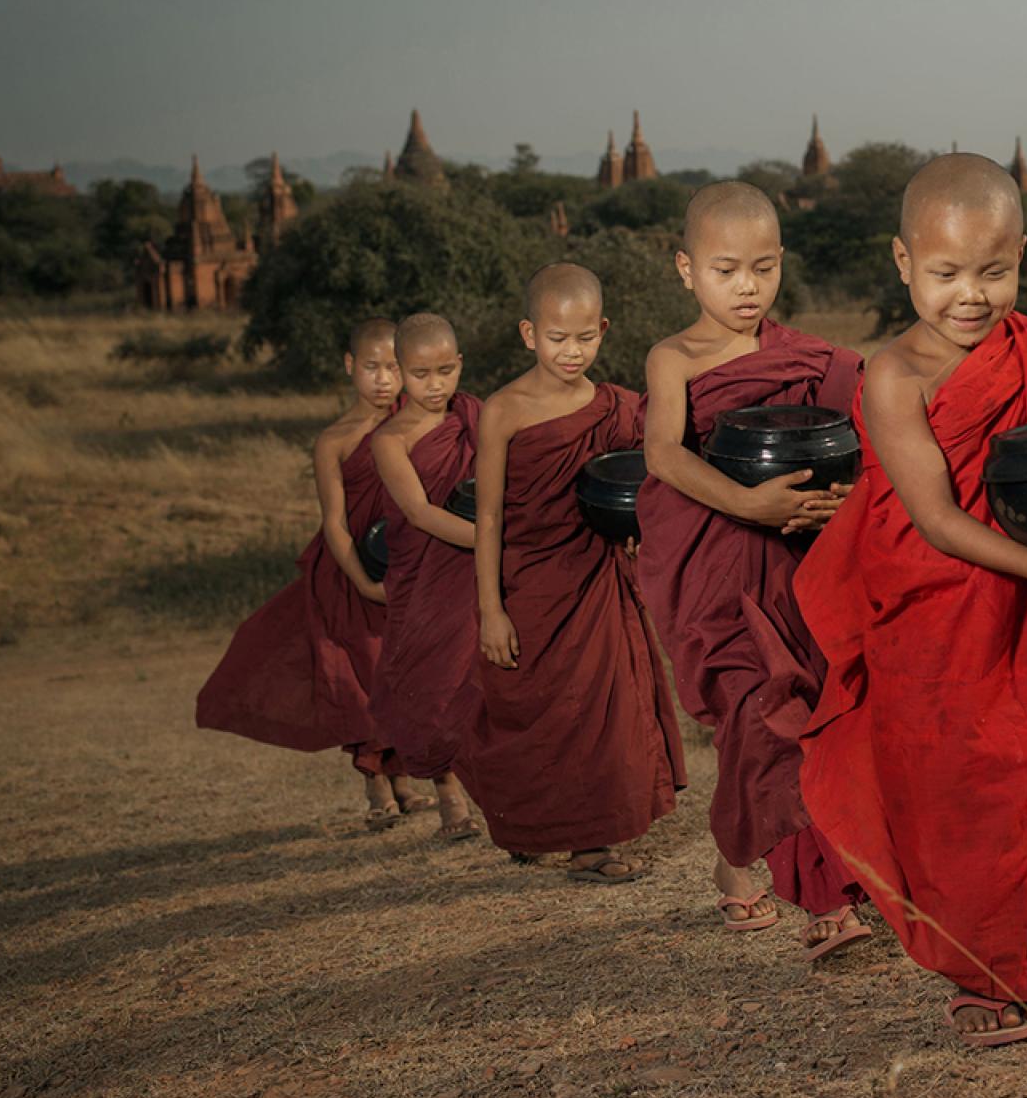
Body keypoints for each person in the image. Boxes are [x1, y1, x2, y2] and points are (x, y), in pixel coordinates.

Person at [796, 154, 1027, 1046]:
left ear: (1023, 258)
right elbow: (932, 518)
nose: (971, 295)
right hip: (933, 612)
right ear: (901, 262)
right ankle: (978, 976)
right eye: (946, 273)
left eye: (993, 272)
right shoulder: (892, 377)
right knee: (963, 793)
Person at [636, 183, 873, 962]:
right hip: (717, 569)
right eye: (726, 269)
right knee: (755, 712)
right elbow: (665, 454)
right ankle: (804, 884)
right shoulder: (672, 357)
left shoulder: (810, 358)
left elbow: (851, 447)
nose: (747, 287)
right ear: (686, 268)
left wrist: (824, 507)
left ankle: (775, 872)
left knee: (803, 713)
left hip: (800, 568)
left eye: (764, 268)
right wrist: (748, 502)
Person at [464, 263, 685, 879]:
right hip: (530, 581)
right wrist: (491, 609)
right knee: (532, 711)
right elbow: (488, 517)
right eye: (558, 338)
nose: (572, 351)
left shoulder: (615, 406)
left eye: (585, 337)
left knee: (600, 713)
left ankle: (594, 845)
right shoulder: (504, 410)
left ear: (604, 330)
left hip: (597, 578)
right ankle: (530, 819)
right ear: (528, 333)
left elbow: (643, 482)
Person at [195, 318, 435, 827]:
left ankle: (406, 778)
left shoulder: (418, 425)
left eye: (393, 367)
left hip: (408, 568)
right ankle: (375, 780)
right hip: (348, 574)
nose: (383, 380)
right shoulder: (335, 440)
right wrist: (364, 581)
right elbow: (332, 521)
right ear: (350, 367)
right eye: (371, 367)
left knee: (401, 672)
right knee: (359, 677)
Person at [368, 311, 486, 840]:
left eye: (445, 371)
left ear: (459, 365)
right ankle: (450, 801)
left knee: (486, 682)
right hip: (430, 572)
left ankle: (504, 799)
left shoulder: (476, 416)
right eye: (420, 374)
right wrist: (494, 543)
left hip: (484, 571)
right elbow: (418, 512)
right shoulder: (389, 439)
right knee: (431, 686)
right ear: (400, 372)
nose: (435, 385)